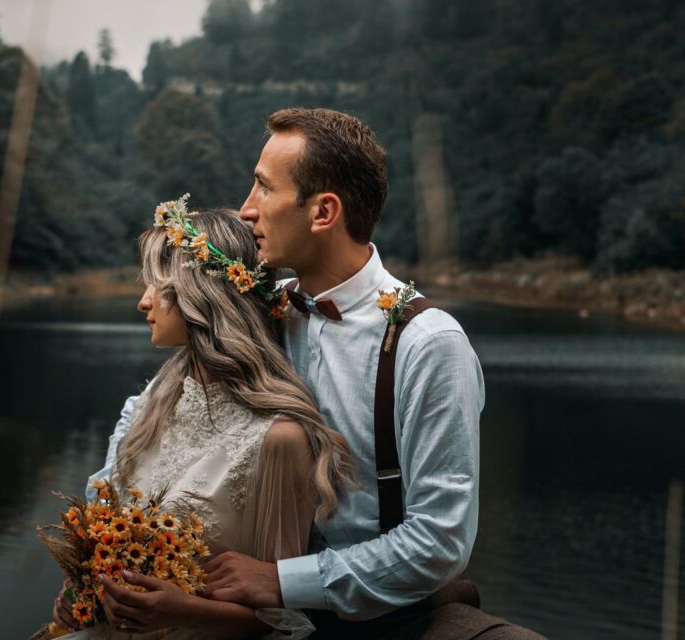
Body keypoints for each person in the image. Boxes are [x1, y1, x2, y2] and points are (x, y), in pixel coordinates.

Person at [75, 108, 546, 639]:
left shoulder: (426, 345)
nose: (246, 210)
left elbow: (439, 543)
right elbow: (161, 417)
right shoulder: (252, 315)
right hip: (236, 610)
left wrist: (282, 580)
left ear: (323, 212)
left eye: (262, 189)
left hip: (382, 619)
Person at [49, 203, 355, 639]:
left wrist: (184, 612)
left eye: (158, 285)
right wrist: (83, 592)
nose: (143, 301)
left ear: (199, 294)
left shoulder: (279, 438)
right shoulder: (154, 400)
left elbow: (282, 620)